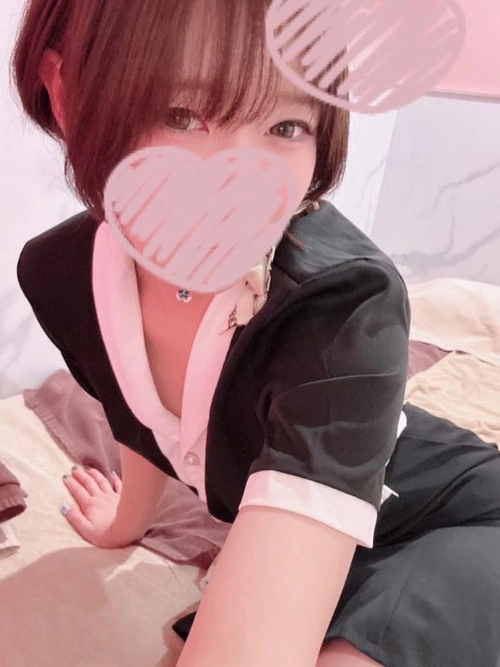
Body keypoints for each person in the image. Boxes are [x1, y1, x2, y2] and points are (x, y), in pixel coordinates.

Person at [11, 1, 500, 666]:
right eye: (183, 114)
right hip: (331, 552)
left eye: (286, 125)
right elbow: (138, 412)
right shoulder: (59, 275)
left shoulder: (342, 305)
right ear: (65, 92)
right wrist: (128, 521)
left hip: (459, 524)